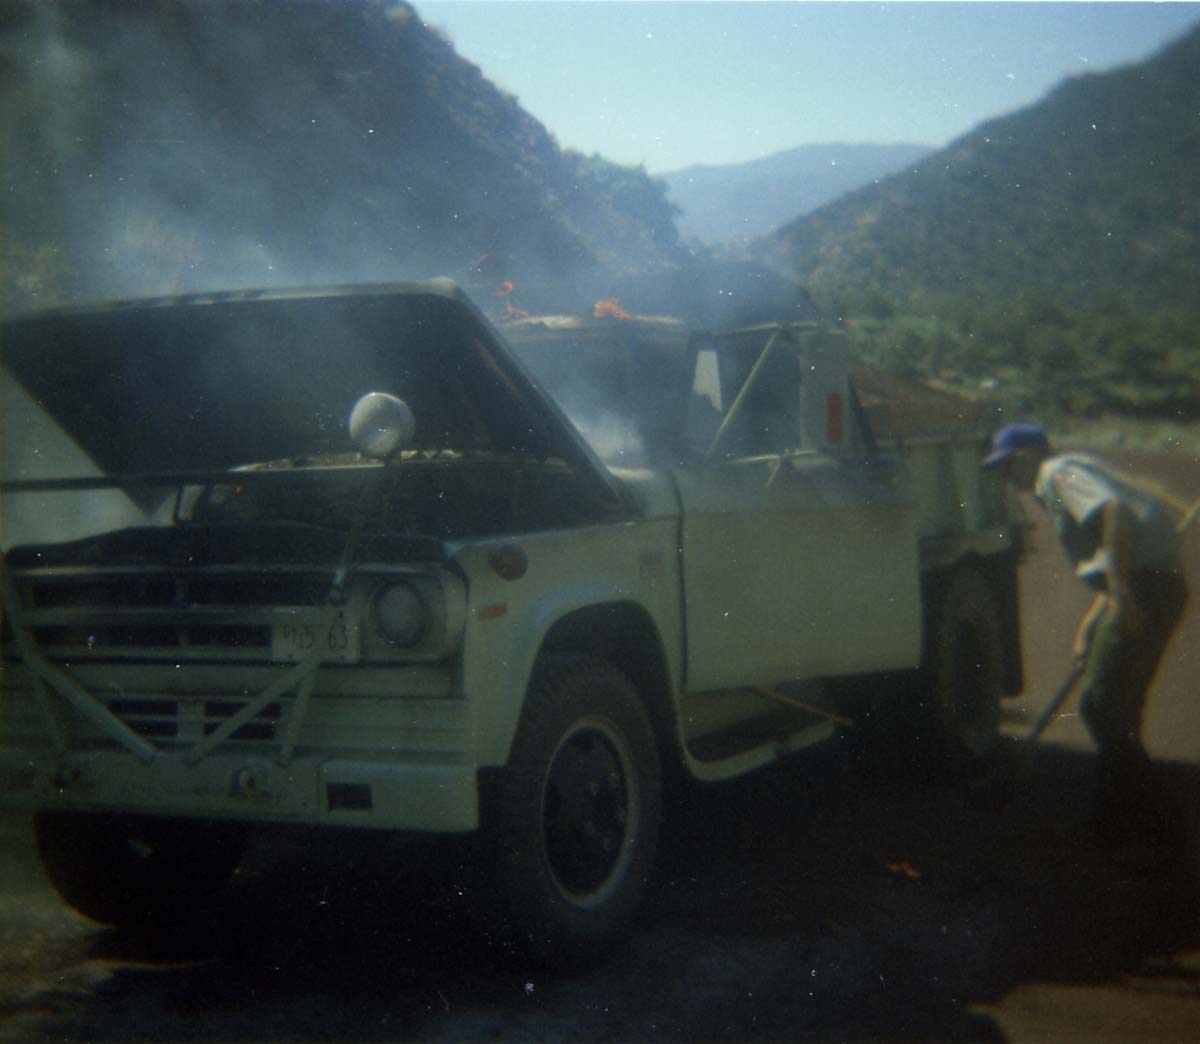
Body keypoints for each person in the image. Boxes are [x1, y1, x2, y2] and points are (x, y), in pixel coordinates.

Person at [982, 421, 1189, 844]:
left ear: (1027, 456)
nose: (1007, 476)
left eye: (1008, 465)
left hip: (1145, 589)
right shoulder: (1061, 475)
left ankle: (1155, 822)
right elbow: (1112, 546)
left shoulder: (1057, 474)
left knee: (1101, 706)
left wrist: (1121, 592)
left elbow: (1112, 511)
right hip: (1152, 586)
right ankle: (1114, 821)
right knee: (1119, 710)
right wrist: (1092, 623)